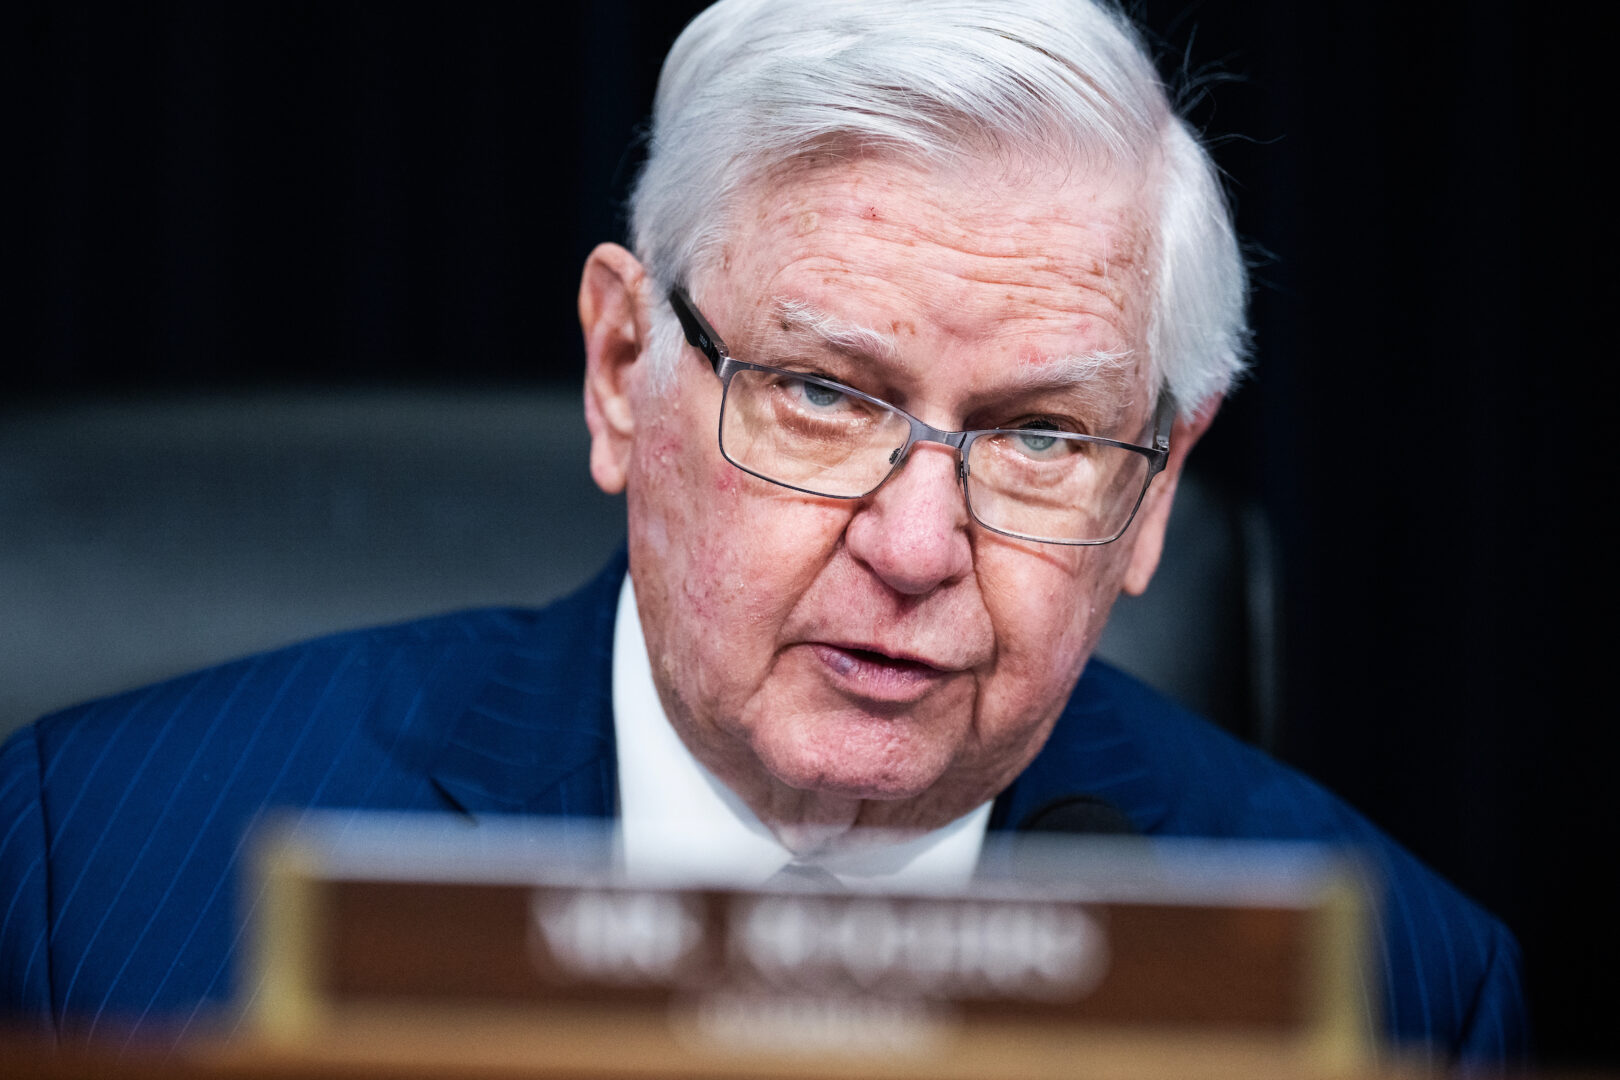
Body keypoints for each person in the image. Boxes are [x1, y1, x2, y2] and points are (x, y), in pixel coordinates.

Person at [0, 0, 1523, 1064]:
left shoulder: (1399, 1000)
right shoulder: (93, 870)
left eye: (1041, 435)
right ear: (619, 373)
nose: (919, 546)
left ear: (1157, 489)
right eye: (820, 393)